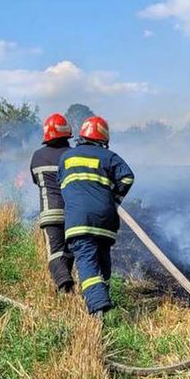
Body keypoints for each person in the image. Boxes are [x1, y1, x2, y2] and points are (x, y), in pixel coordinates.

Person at [59, 115, 135, 316]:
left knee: (87, 261)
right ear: (104, 138)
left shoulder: (67, 158)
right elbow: (127, 177)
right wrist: (114, 198)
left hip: (78, 221)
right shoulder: (109, 157)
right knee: (103, 260)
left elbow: (62, 186)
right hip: (105, 220)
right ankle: (103, 299)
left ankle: (99, 307)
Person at [29, 113, 75, 293]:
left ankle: (64, 284)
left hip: (50, 213)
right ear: (66, 135)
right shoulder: (72, 155)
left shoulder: (37, 157)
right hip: (72, 212)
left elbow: (36, 181)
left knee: (55, 251)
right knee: (69, 250)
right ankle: (66, 285)